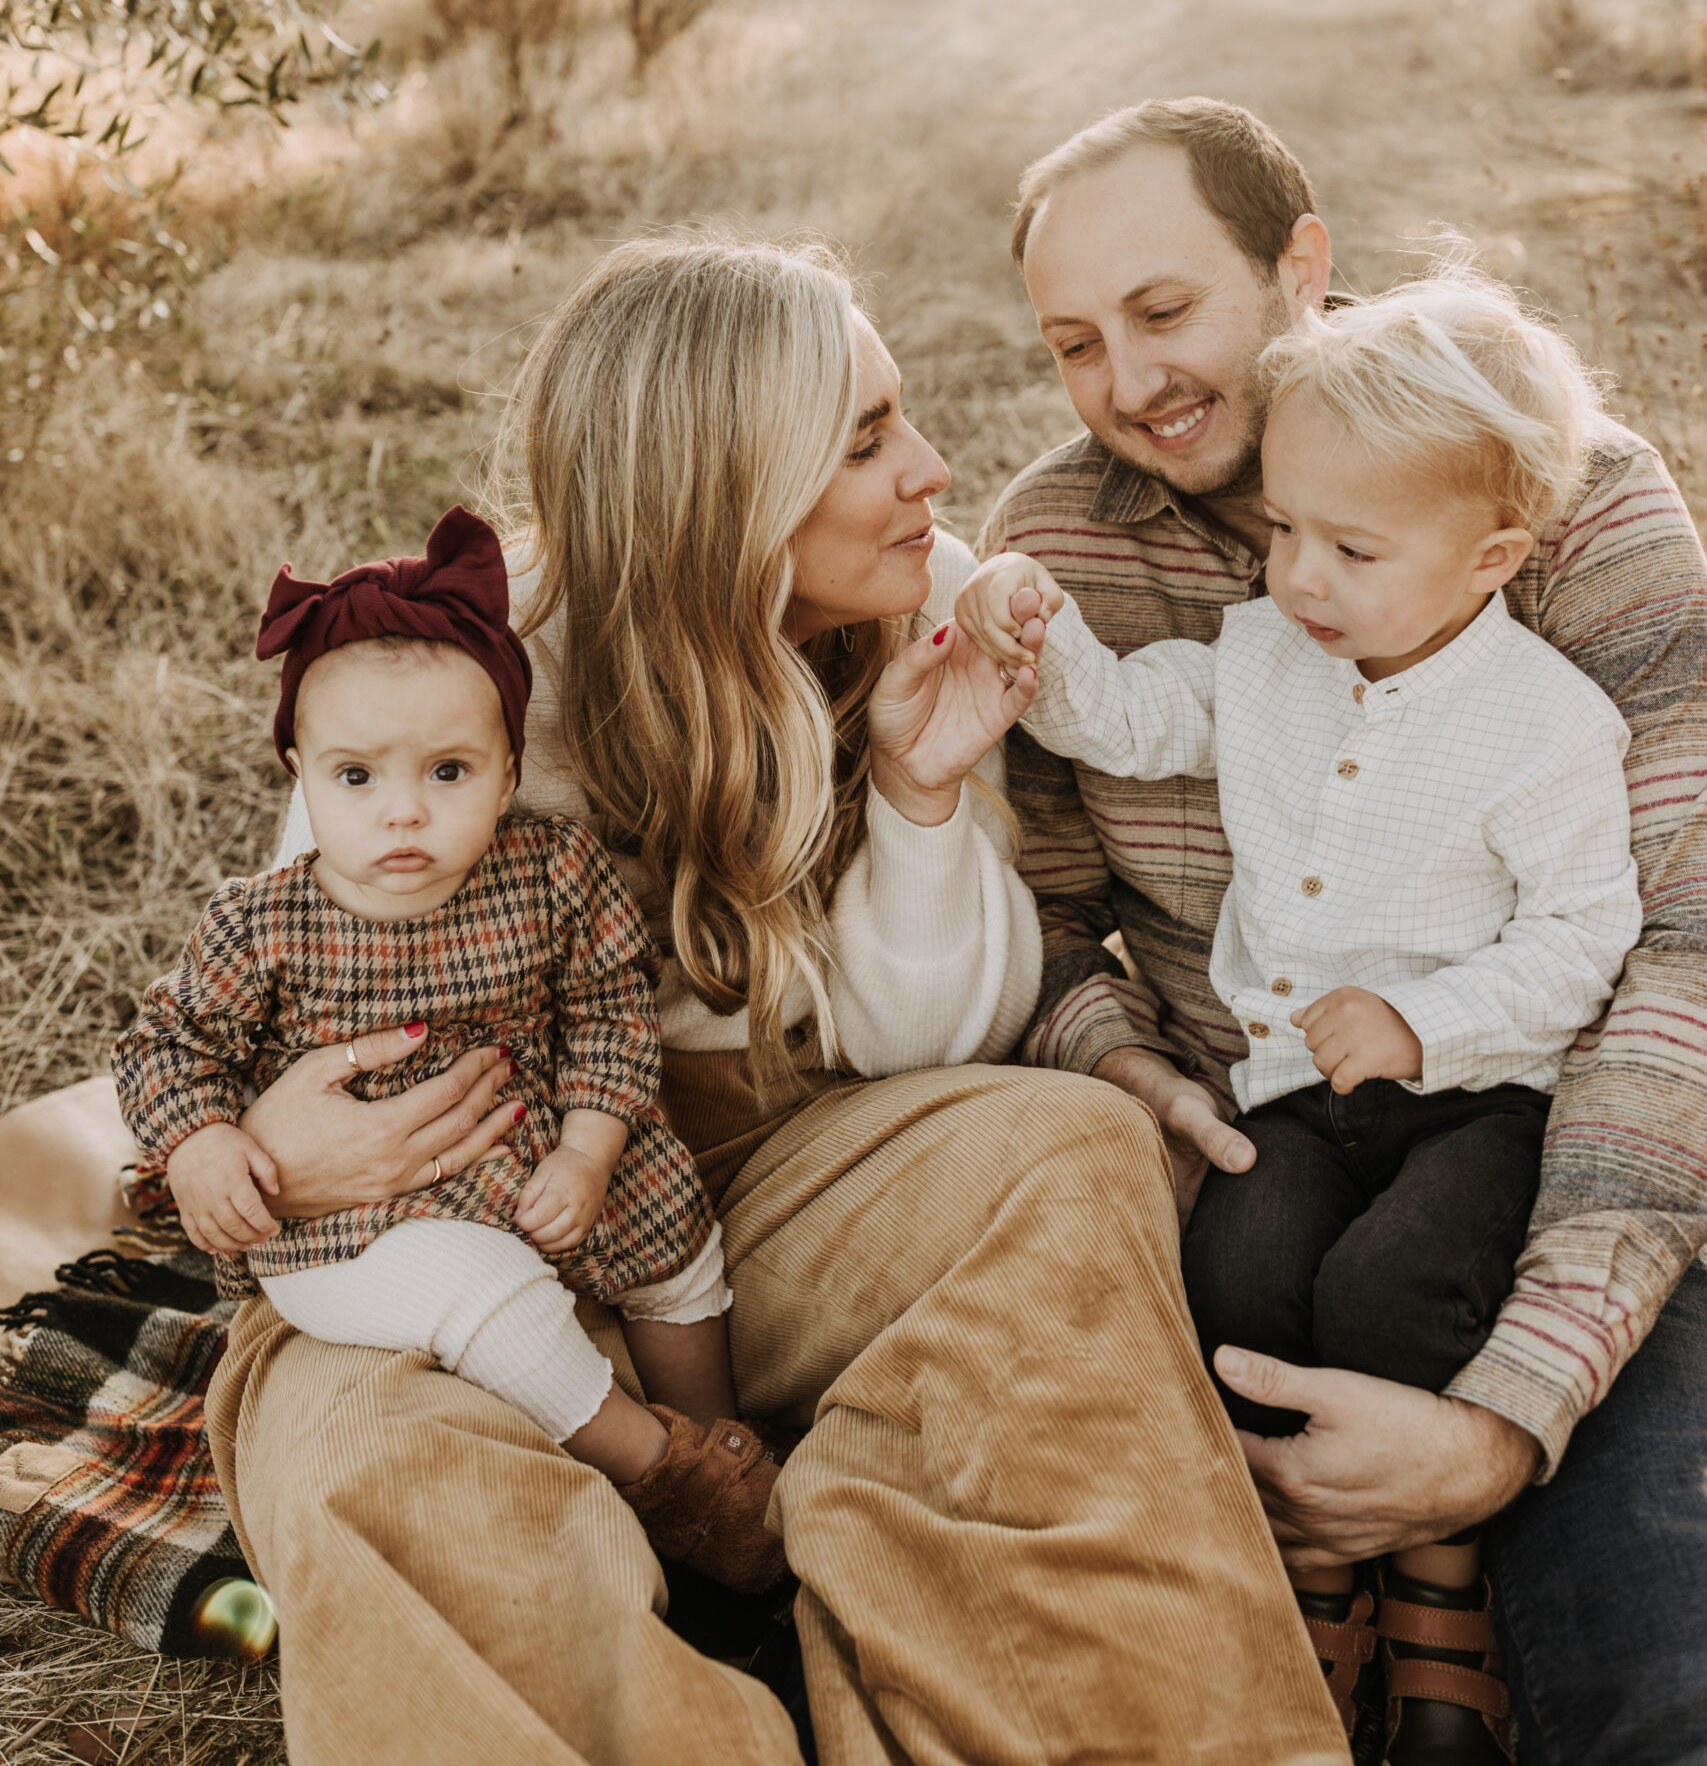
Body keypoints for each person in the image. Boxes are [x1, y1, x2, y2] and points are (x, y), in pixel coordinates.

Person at [201, 233, 1346, 1766]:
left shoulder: (917, 601)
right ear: (716, 495)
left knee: (1066, 1151)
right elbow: (274, 1023)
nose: (935, 471)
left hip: (768, 1188)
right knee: (370, 1478)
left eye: (902, 417)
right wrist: (272, 1151)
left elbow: (920, 1050)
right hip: (437, 1230)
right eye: (867, 439)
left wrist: (918, 794)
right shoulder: (456, 675)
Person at [979, 98, 1707, 1765]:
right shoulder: (1064, 543)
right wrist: (1125, 1078)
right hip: (1247, 1141)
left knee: (1657, 1668)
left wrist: (1508, 1412)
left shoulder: (1561, 490)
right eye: (1075, 343)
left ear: (1300, 268)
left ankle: (1464, 1597)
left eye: (1166, 313)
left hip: (1560, 1143)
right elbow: (1038, 909)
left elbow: (1676, 945)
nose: (1130, 382)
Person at [113, 505, 785, 1595]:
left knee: (673, 1234)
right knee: (479, 1288)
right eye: (358, 778)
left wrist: (589, 1152)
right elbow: (162, 1044)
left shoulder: (551, 869)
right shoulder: (262, 925)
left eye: (449, 772)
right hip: (364, 1223)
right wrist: (200, 1145)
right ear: (301, 774)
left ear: (510, 770)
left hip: (536, 1147)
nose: (404, 816)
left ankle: (717, 1449)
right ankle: (656, 1468)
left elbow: (613, 1011)